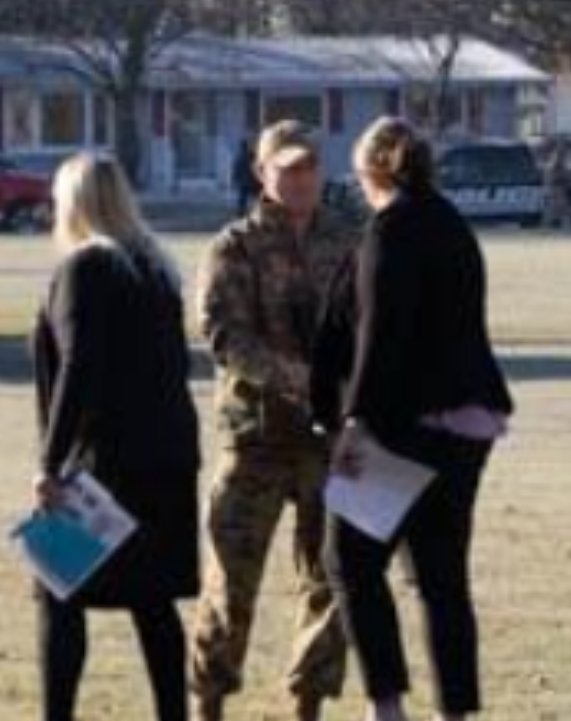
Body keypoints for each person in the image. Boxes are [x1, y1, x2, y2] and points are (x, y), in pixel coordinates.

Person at [311, 117, 514, 721]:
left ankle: (387, 705)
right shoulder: (452, 225)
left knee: (348, 559)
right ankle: (456, 711)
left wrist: (355, 420)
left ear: (368, 170)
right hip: (468, 423)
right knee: (441, 575)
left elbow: (380, 336)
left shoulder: (389, 232)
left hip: (401, 427)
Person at [191, 122, 361, 721]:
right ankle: (208, 703)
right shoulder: (233, 246)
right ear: (262, 173)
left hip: (328, 444)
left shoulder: (347, 243)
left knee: (332, 579)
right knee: (230, 584)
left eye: (309, 168)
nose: (300, 180)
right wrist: (301, 380)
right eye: (287, 169)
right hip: (256, 438)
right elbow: (224, 334)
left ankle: (306, 702)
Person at [30, 153, 202, 721]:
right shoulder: (156, 269)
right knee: (152, 600)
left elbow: (77, 369)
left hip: (106, 463)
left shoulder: (84, 269)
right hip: (168, 456)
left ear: (71, 203)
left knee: (56, 592)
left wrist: (50, 464)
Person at [230, 137, 258, 217]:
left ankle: (240, 212)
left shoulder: (240, 157)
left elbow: (235, 170)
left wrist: (234, 180)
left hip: (244, 183)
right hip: (251, 182)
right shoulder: (252, 156)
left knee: (242, 199)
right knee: (257, 198)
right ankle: (245, 212)